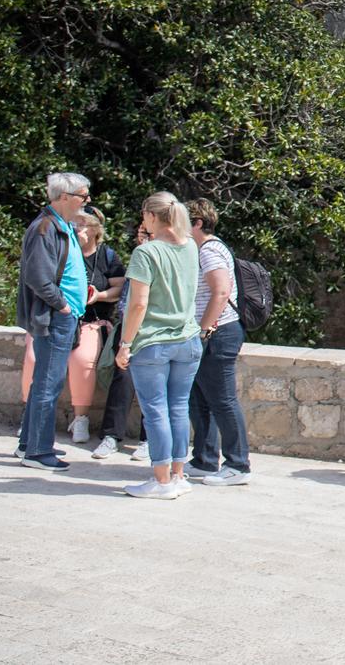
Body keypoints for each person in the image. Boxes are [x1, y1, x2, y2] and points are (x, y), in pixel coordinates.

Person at [114, 191, 203, 498]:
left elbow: (138, 304)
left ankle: (161, 480)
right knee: (178, 408)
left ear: (152, 216)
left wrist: (125, 343)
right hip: (188, 339)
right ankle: (178, 475)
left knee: (155, 412)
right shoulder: (191, 245)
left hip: (153, 342)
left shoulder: (147, 253)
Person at [20, 207, 121, 447]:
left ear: (96, 230)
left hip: (89, 320)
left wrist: (100, 295)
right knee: (33, 358)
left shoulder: (107, 255)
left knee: (83, 360)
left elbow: (121, 287)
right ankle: (30, 417)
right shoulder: (62, 247)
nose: (77, 229)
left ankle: (80, 418)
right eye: (74, 224)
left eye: (83, 225)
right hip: (55, 317)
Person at [16, 172, 93, 470]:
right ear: (64, 197)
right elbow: (36, 276)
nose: (86, 202)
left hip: (64, 316)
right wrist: (61, 305)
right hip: (54, 317)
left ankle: (29, 445)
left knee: (44, 383)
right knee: (48, 383)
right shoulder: (45, 228)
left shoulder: (61, 226)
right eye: (82, 196)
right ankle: (38, 451)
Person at [184, 198, 251, 486]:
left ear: (198, 223)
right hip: (211, 332)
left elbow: (221, 292)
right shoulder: (201, 250)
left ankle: (238, 464)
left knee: (223, 400)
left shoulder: (210, 251)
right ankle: (205, 459)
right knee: (200, 399)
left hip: (219, 333)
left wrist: (203, 329)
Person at [94, 221, 147, 460]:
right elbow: (127, 302)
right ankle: (111, 436)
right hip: (128, 330)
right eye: (139, 232)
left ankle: (149, 440)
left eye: (146, 232)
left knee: (154, 386)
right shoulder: (138, 258)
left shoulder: (165, 257)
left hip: (154, 334)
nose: (141, 236)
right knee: (122, 380)